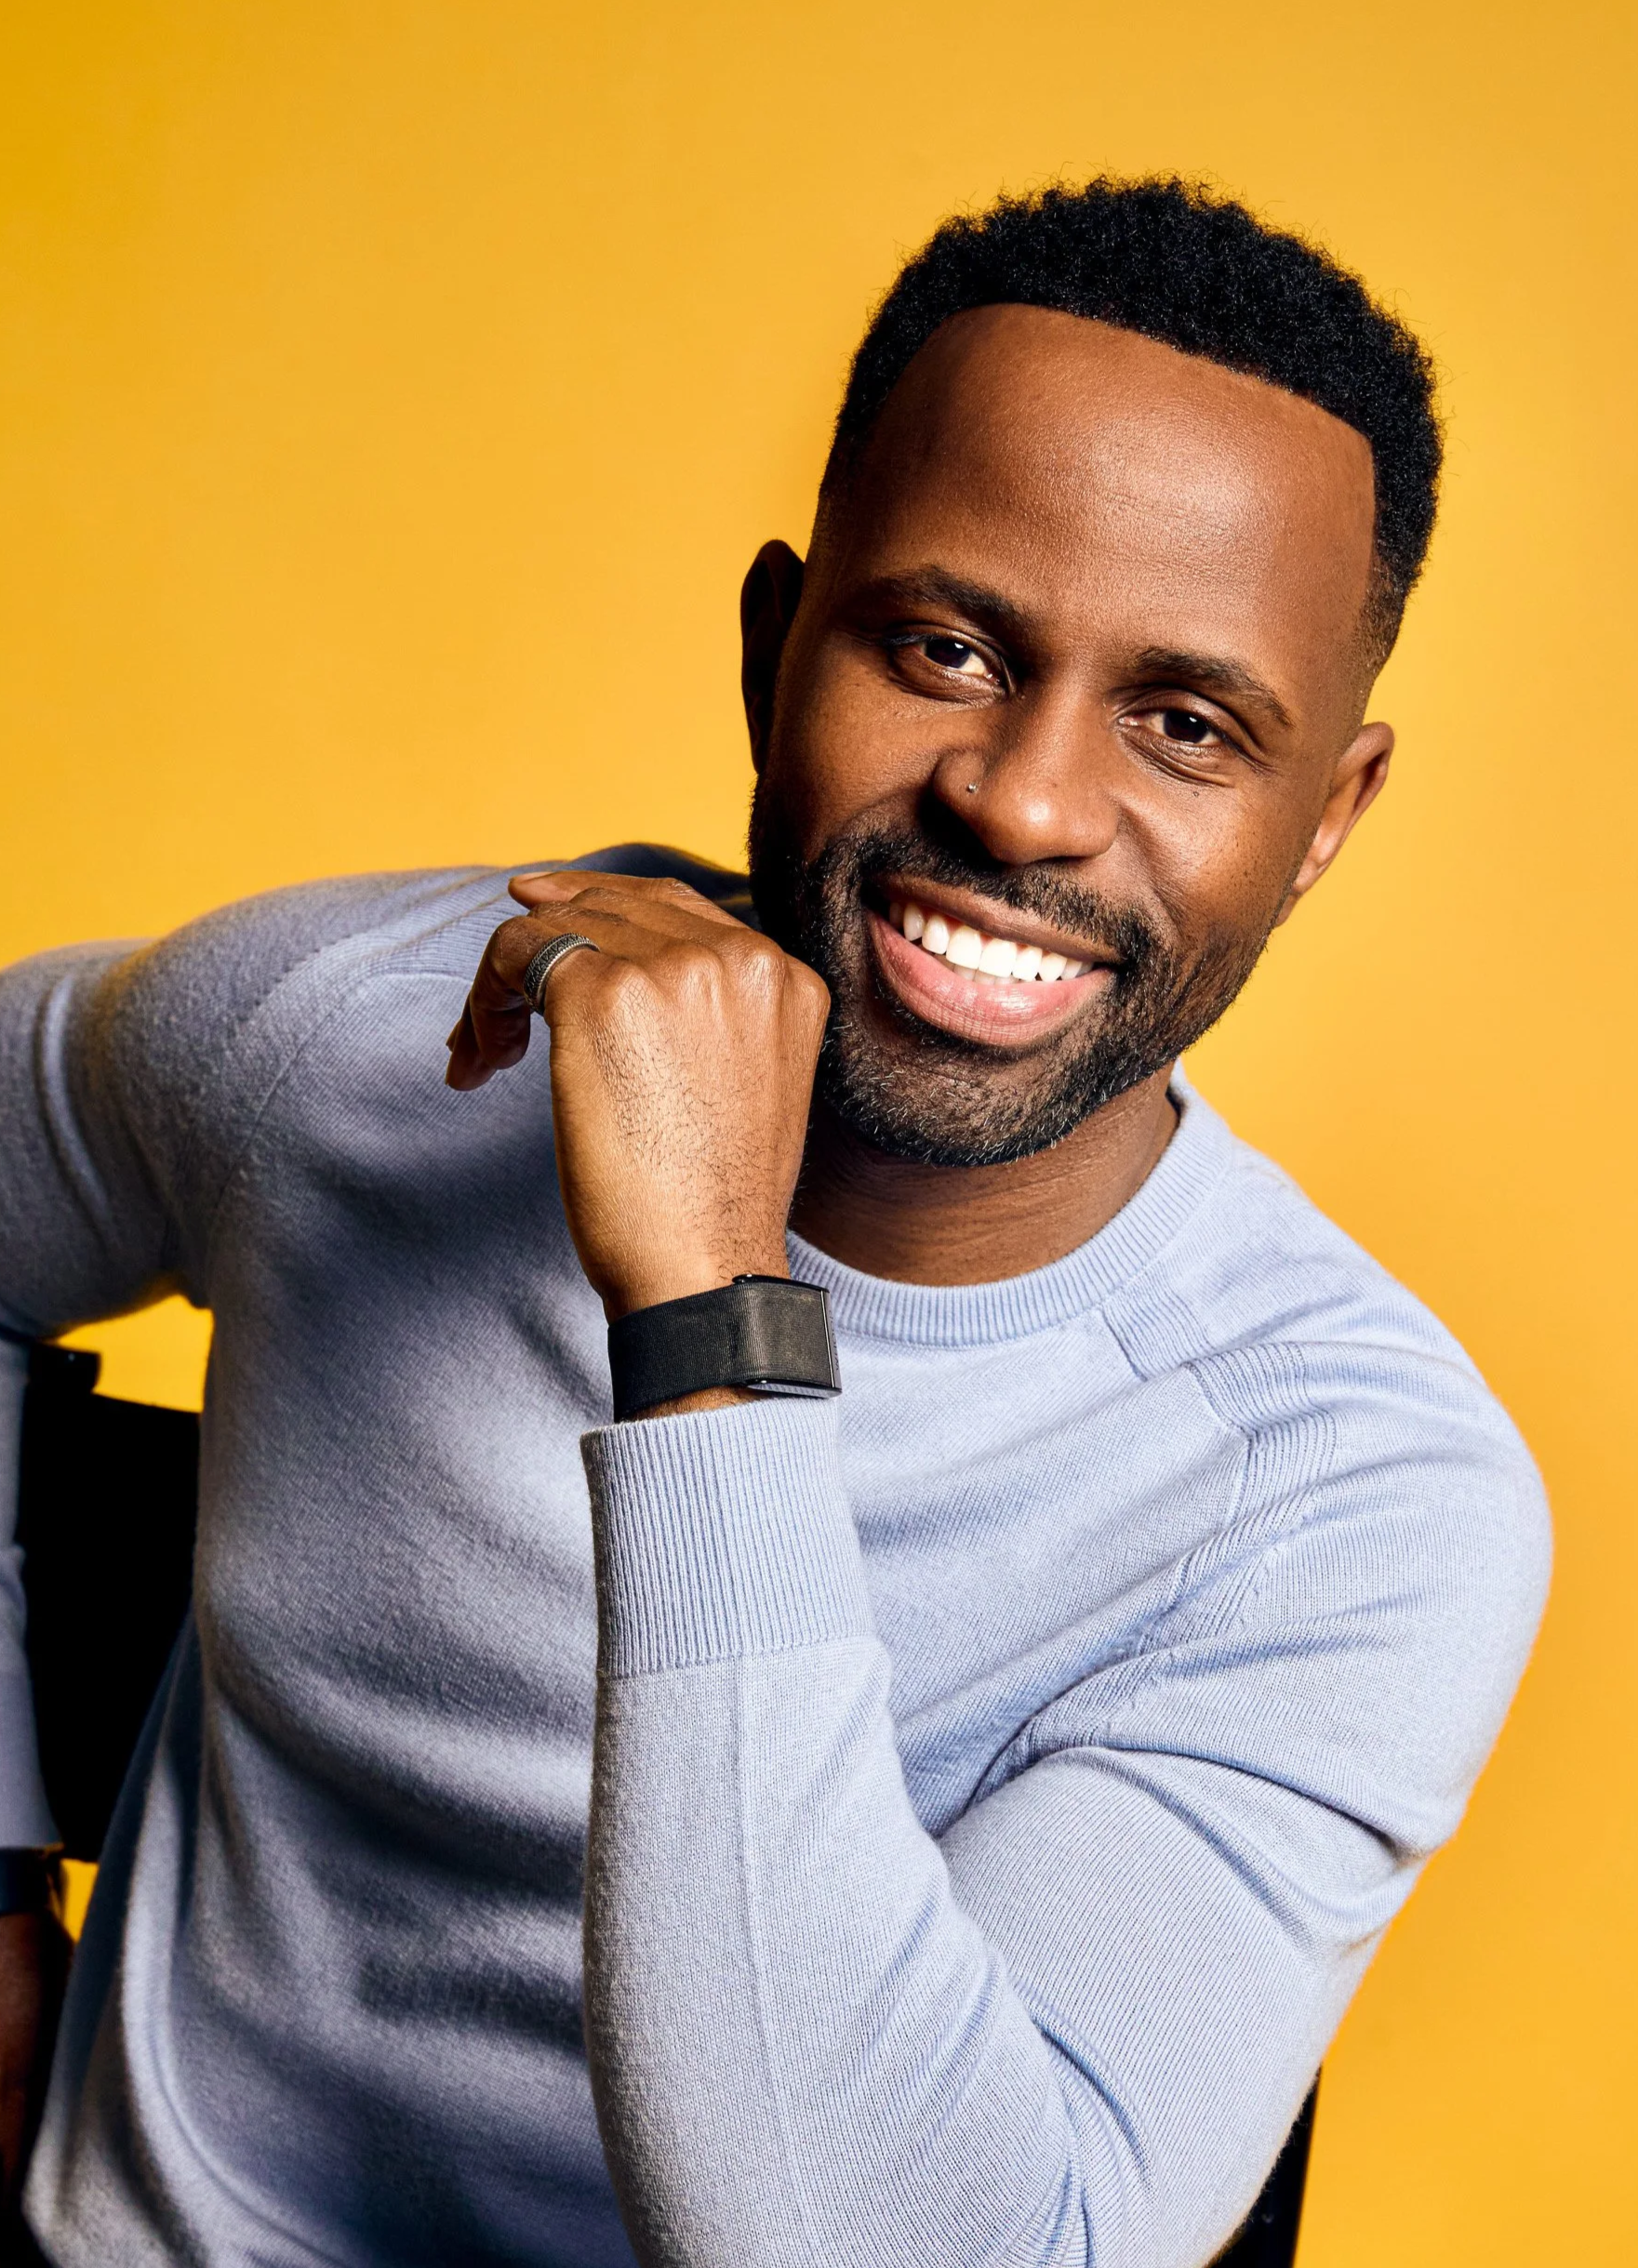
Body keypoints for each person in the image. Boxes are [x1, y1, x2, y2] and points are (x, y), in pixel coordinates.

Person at [0, 179, 1548, 2268]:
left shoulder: (1349, 1495)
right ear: (771, 646)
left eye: (1186, 724)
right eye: (944, 649)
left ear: (1324, 820)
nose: (1021, 801)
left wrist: (712, 1314)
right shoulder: (355, 1033)